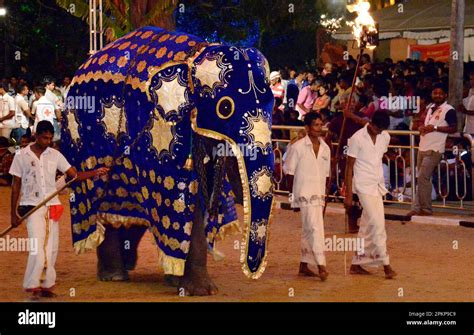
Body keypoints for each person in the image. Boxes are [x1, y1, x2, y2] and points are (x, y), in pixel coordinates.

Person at [9, 120, 109, 300]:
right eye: (44, 138)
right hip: (32, 207)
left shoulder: (55, 155)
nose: (47, 141)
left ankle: (45, 285)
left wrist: (95, 172)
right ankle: (33, 284)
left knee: (52, 247)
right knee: (38, 247)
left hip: (52, 205)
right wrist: (13, 214)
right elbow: (15, 185)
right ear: (36, 136)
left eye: (49, 138)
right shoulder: (21, 155)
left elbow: (74, 176)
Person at [344, 111, 397, 279]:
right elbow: (349, 167)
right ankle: (386, 264)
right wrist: (348, 194)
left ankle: (356, 263)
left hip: (377, 185)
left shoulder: (384, 136)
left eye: (382, 130)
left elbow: (380, 155)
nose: (380, 132)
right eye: (378, 128)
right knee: (377, 224)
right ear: (372, 123)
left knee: (367, 226)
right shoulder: (356, 138)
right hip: (363, 186)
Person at [283, 113, 330, 281]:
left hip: (319, 194)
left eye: (320, 124)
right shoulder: (298, 147)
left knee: (309, 229)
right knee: (316, 229)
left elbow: (326, 175)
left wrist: (325, 197)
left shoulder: (326, 149)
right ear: (307, 128)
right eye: (315, 125)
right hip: (303, 194)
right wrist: (292, 197)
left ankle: (304, 265)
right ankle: (321, 265)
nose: (319, 128)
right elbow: (289, 172)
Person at [407, 83, 457, 216]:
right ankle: (417, 208)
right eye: (435, 93)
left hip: (435, 148)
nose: (438, 95)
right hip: (423, 146)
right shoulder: (429, 108)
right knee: (422, 178)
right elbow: (423, 123)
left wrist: (434, 128)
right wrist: (421, 127)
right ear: (432, 94)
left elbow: (454, 128)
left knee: (423, 177)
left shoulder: (449, 109)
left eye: (440, 93)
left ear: (445, 95)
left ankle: (426, 208)